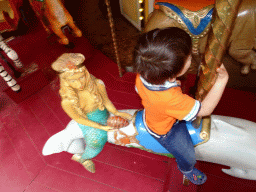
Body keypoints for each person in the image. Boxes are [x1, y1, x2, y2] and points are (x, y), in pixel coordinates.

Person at [133, 27, 229, 185]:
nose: (191, 57)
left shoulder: (144, 73)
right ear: (172, 73)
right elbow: (205, 110)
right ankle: (187, 169)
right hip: (166, 131)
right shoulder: (171, 99)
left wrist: (170, 83)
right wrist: (221, 81)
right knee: (187, 153)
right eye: (189, 57)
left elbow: (139, 90)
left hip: (156, 109)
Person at [51, 53, 132, 173]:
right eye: (73, 80)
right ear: (66, 81)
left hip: (102, 112)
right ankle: (83, 157)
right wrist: (100, 127)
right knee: (97, 142)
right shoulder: (67, 101)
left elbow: (105, 101)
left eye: (82, 77)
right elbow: (79, 119)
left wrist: (116, 112)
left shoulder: (97, 84)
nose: (80, 83)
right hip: (87, 120)